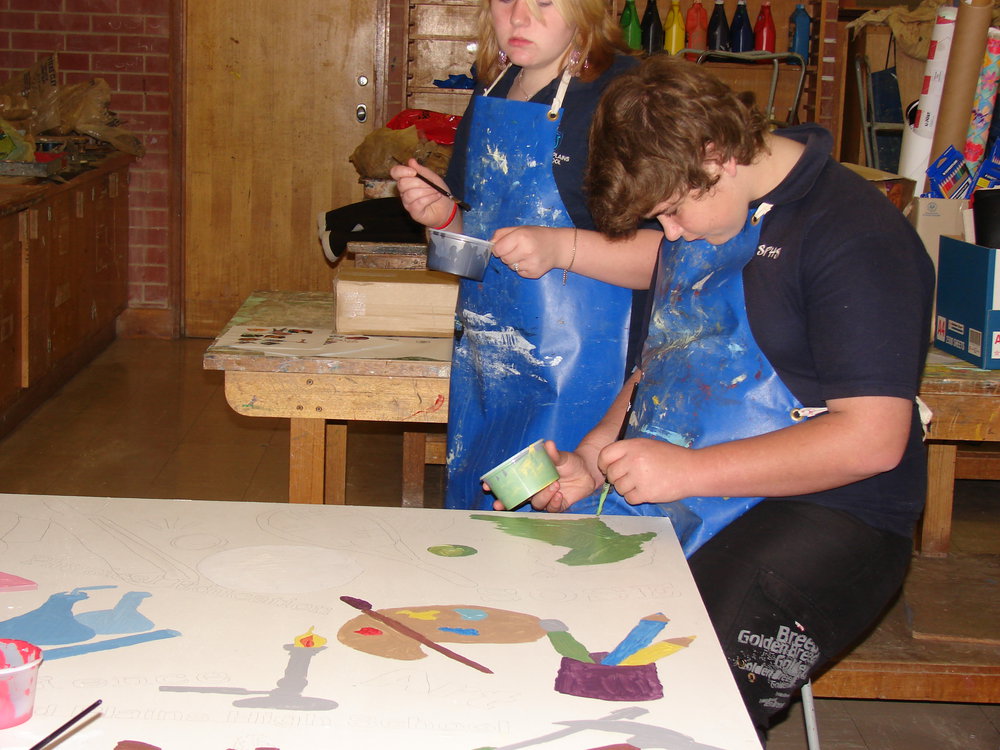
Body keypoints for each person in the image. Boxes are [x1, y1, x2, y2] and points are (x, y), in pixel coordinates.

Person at [526, 54, 935, 741]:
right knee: (538, 631)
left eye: (671, 212)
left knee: (679, 684)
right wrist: (596, 458)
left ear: (717, 154)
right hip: (700, 481)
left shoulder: (857, 236)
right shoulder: (716, 207)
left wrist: (685, 471)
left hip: (834, 508)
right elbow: (673, 356)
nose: (671, 235)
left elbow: (872, 439)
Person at [390, 0, 661, 512]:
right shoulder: (492, 91)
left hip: (588, 381)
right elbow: (476, 264)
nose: (518, 17)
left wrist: (560, 248)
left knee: (554, 533)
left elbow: (668, 259)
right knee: (483, 527)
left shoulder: (628, 97)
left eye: (543, 1)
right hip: (488, 371)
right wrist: (443, 220)